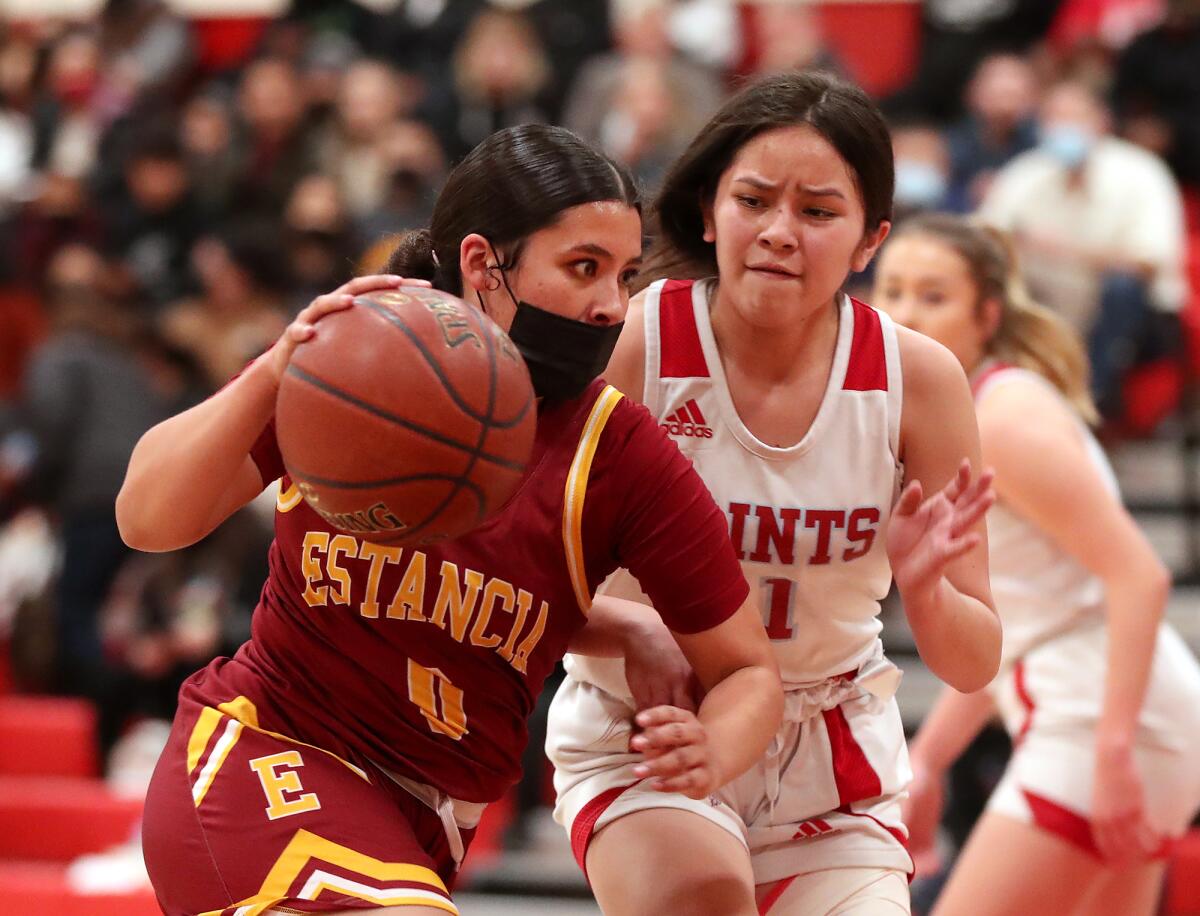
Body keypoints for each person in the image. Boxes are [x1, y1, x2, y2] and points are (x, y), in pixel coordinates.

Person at [117, 124, 784, 916]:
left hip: (425, 821)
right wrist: (275, 368)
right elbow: (147, 517)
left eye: (626, 275)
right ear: (482, 266)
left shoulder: (619, 454)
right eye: (584, 268)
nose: (612, 305)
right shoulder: (362, 358)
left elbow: (749, 671)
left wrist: (710, 745)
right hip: (269, 756)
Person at [546, 72, 1001, 916]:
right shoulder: (637, 340)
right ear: (711, 210)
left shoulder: (920, 380)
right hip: (655, 728)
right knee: (703, 896)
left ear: (871, 241)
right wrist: (631, 626)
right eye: (754, 201)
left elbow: (974, 661)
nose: (780, 233)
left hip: (830, 753)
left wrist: (928, 587)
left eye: (819, 212)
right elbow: (521, 572)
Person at [873, 212, 1200, 916]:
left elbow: (1139, 575)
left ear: (986, 314)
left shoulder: (1001, 417)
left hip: (1106, 719)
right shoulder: (967, 409)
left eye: (933, 295)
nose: (904, 311)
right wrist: (927, 760)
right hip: (1120, 711)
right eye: (892, 289)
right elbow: (1014, 625)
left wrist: (1112, 752)